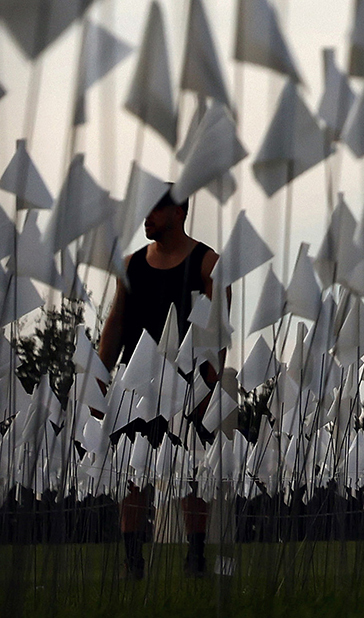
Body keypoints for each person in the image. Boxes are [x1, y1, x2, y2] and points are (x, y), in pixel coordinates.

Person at [95, 191, 221, 580]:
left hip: (188, 384)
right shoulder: (131, 265)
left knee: (191, 472)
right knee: (132, 474)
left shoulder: (207, 263)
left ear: (178, 212)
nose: (146, 218)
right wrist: (96, 380)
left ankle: (195, 559)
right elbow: (116, 321)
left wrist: (211, 389)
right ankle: (132, 562)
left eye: (154, 209)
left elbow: (216, 331)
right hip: (137, 383)